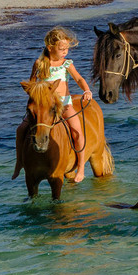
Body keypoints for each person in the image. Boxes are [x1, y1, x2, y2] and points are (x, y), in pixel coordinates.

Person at [29, 26, 96, 181]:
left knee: (78, 132)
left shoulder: (66, 63)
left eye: (67, 48)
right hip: (45, 108)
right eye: (62, 49)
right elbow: (32, 85)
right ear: (50, 47)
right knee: (22, 130)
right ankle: (20, 163)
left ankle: (80, 169)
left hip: (65, 105)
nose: (65, 52)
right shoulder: (39, 63)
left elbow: (79, 79)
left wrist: (86, 90)